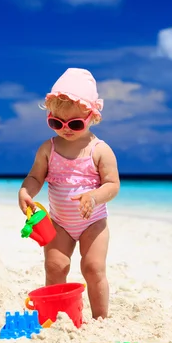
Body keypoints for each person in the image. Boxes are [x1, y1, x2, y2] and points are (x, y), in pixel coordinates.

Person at [17, 67, 120, 320]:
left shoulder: (100, 150)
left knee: (93, 268)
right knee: (55, 266)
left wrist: (93, 196)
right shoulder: (48, 148)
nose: (65, 129)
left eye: (74, 123)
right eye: (56, 122)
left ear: (92, 117)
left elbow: (112, 185)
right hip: (60, 223)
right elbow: (35, 177)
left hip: (93, 222)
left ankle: (100, 318)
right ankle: (55, 315)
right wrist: (25, 191)